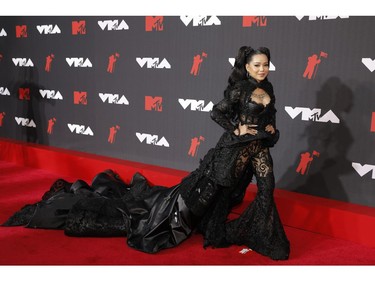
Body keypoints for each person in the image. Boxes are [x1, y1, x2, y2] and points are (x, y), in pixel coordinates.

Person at [2, 46, 290, 260]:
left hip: (259, 148)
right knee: (221, 194)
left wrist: (270, 128)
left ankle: (263, 235)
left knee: (267, 189)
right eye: (258, 65)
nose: (263, 69)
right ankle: (217, 231)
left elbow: (270, 114)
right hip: (233, 152)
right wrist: (236, 130)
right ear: (248, 67)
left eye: (266, 65)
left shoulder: (269, 88)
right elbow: (217, 112)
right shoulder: (239, 90)